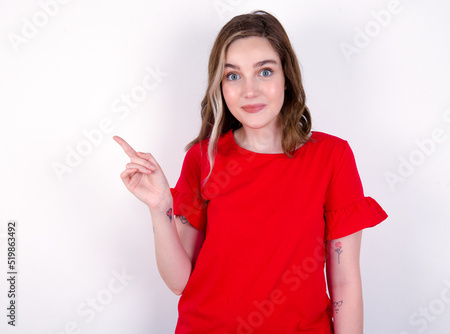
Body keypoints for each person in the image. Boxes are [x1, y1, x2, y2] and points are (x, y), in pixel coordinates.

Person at [114, 10, 388, 334]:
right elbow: (179, 282)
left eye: (265, 72)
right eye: (233, 76)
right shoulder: (203, 158)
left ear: (286, 76)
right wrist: (161, 210)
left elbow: (344, 283)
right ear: (220, 85)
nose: (249, 90)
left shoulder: (332, 157)